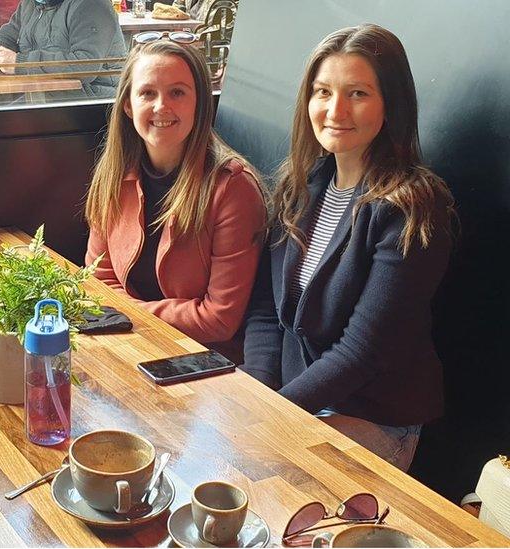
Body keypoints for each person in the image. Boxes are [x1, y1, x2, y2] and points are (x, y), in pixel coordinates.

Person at [241, 24, 455, 471]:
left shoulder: (414, 205)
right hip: (296, 399)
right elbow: (266, 309)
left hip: (371, 415)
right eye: (323, 92)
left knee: (256, 480)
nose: (335, 109)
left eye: (357, 93)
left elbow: (364, 351)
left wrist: (274, 414)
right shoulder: (299, 186)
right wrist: (257, 394)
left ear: (390, 104)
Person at [85, 39, 266, 355]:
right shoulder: (113, 174)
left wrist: (127, 314)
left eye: (177, 93)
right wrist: (127, 321)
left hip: (203, 362)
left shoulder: (233, 189)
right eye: (147, 93)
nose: (161, 107)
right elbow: (97, 281)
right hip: (131, 344)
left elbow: (219, 319)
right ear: (128, 105)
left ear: (199, 103)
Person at [0, 0, 127, 101]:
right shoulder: (30, 4)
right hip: (46, 94)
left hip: (96, 101)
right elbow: (10, 32)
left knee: (3, 122)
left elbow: (85, 66)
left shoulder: (91, 5)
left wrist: (19, 63)